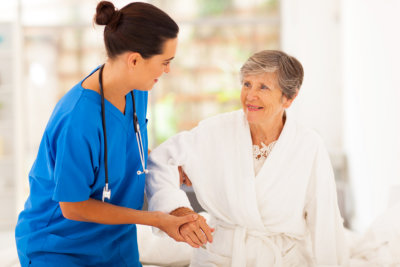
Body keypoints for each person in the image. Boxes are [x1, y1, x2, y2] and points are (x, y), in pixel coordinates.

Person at [14, 1, 206, 266]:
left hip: (114, 243)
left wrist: (162, 164)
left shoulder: (137, 89)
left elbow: (121, 145)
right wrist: (156, 219)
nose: (167, 70)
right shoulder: (78, 119)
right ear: (135, 60)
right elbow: (73, 206)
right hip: (59, 246)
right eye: (164, 62)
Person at [146, 50, 348, 266]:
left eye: (263, 87)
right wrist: (175, 209)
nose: (250, 95)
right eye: (247, 84)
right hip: (220, 256)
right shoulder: (216, 130)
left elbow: (325, 219)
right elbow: (160, 161)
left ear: (289, 97)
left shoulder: (308, 145)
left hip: (282, 258)